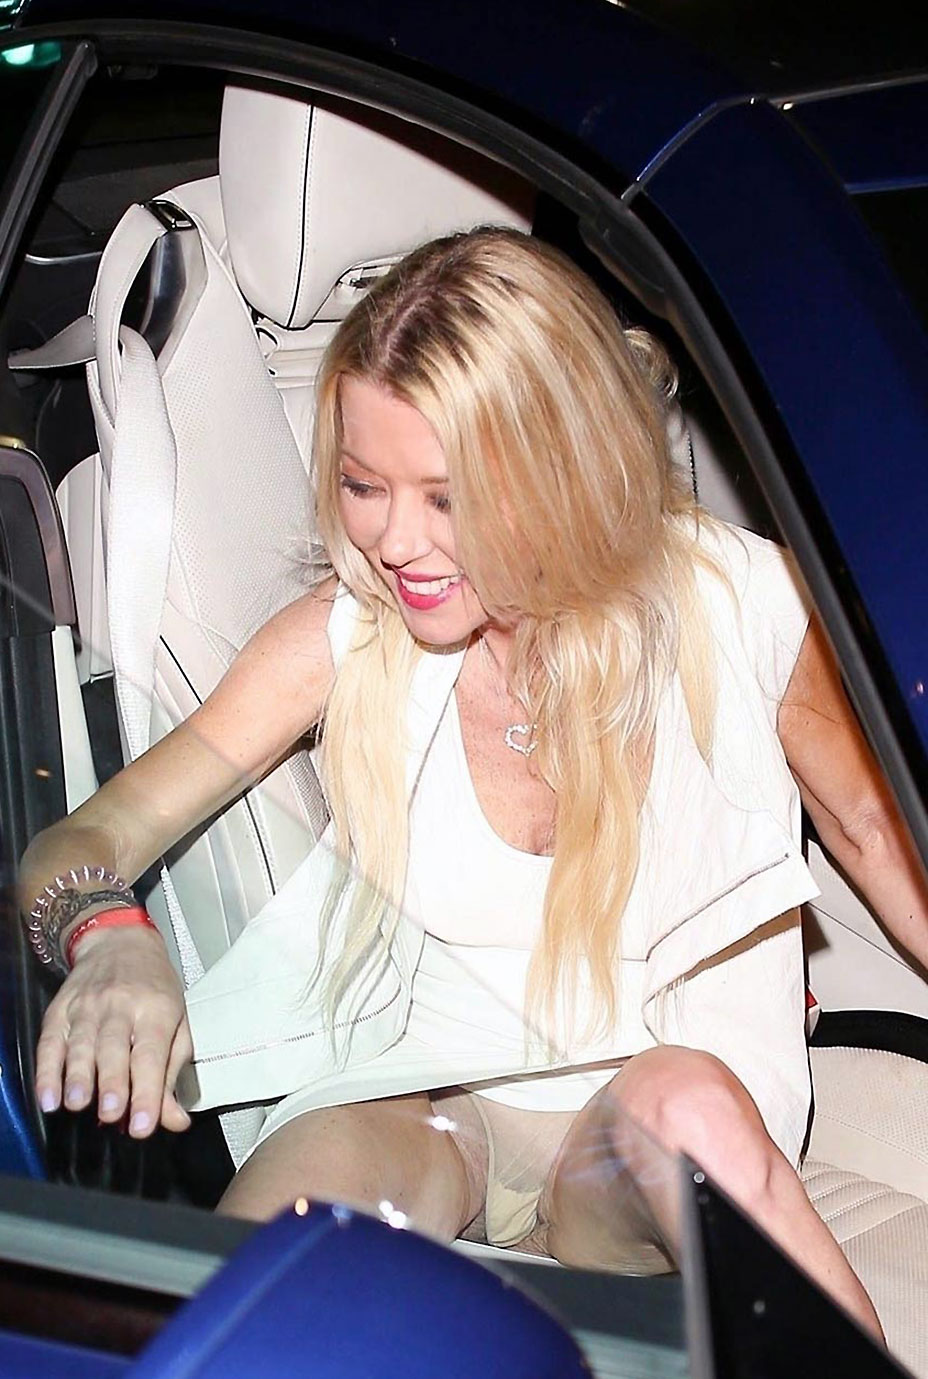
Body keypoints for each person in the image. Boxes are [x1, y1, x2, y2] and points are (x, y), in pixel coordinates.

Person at [19, 228, 928, 1340]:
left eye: (447, 497)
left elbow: (875, 832)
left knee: (686, 1101)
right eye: (363, 484)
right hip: (434, 1115)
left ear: (563, 466)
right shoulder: (345, 638)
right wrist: (109, 934)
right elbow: (85, 838)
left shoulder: (740, 608)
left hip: (643, 1134)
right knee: (248, 1275)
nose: (396, 540)